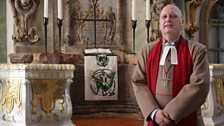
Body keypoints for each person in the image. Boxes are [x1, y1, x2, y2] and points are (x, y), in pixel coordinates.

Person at [131, 4, 209, 126]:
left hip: (186, 117)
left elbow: (200, 85)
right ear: (160, 22)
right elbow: (138, 82)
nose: (168, 19)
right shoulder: (147, 51)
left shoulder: (197, 50)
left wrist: (170, 114)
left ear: (181, 22)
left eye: (173, 16)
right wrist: (155, 113)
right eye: (164, 17)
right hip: (154, 119)